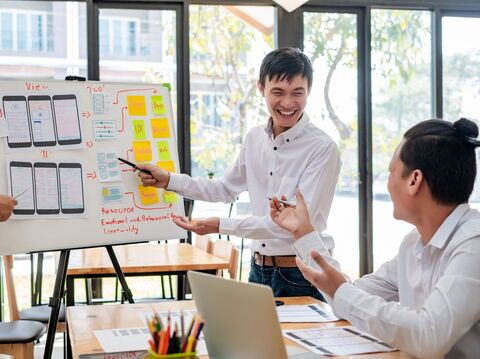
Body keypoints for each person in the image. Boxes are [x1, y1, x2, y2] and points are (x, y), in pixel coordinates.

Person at [137, 47, 341, 298]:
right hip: (258, 270)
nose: (288, 103)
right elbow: (224, 189)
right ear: (261, 88)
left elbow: (292, 225)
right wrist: (169, 180)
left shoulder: (323, 148)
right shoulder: (255, 138)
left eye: (297, 93)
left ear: (309, 90)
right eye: (278, 92)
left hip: (300, 274)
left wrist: (220, 225)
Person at [270, 118, 480, 358]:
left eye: (391, 172)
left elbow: (429, 337)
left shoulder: (474, 243)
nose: (388, 184)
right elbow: (349, 297)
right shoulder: (413, 244)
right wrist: (303, 232)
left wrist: (342, 293)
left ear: (414, 180)